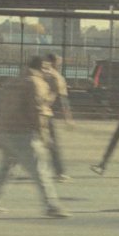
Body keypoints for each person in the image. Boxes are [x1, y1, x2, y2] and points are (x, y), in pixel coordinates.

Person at [0, 56, 71, 219]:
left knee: (7, 168)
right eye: (47, 68)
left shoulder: (11, 83)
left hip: (4, 131)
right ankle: (52, 206)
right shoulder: (36, 83)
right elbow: (38, 111)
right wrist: (44, 136)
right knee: (41, 170)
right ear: (42, 68)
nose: (49, 71)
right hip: (23, 134)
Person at [42, 53, 75, 183]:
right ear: (55, 63)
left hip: (30, 112)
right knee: (52, 143)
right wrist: (68, 118)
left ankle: (10, 168)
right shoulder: (57, 77)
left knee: (26, 141)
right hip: (44, 113)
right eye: (59, 62)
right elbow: (63, 100)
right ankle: (60, 172)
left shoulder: (37, 72)